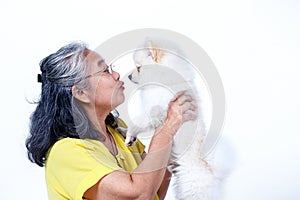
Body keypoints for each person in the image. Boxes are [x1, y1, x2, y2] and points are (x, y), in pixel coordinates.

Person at [26, 42, 196, 200]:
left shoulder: (118, 131)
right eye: (105, 71)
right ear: (80, 93)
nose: (116, 75)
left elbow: (154, 190)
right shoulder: (66, 152)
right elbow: (138, 195)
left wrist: (174, 130)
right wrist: (166, 128)